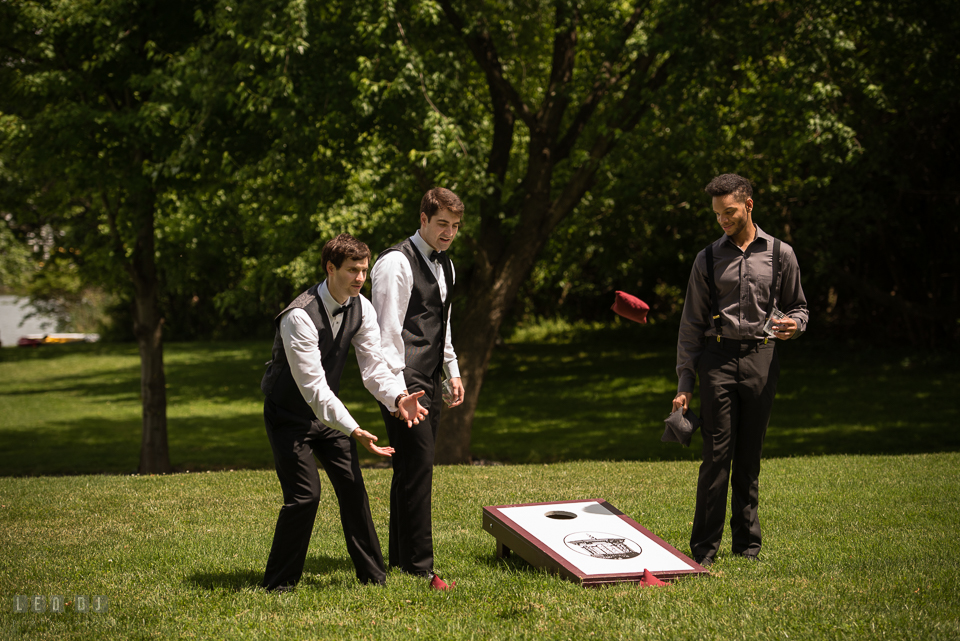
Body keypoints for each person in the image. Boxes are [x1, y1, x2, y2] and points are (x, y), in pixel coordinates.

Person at [259, 233, 429, 592]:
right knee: (305, 497)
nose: (359, 278)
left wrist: (397, 397)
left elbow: (374, 368)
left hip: (328, 415)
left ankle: (374, 578)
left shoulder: (361, 307)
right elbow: (314, 389)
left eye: (364, 271)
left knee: (354, 489)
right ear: (330, 268)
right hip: (289, 415)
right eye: (352, 270)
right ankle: (278, 585)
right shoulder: (298, 317)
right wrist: (354, 429)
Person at [671, 174, 808, 567]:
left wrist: (794, 326)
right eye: (716, 214)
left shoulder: (781, 254)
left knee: (750, 455)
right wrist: (685, 382)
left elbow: (800, 308)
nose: (722, 220)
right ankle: (703, 551)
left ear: (748, 205)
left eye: (728, 212)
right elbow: (690, 326)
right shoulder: (707, 258)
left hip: (762, 359)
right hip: (717, 360)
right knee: (716, 454)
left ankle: (748, 547)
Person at [370, 187, 466, 590]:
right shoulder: (395, 263)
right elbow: (386, 333)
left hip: (429, 378)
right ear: (423, 219)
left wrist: (452, 370)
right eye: (442, 224)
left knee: (410, 469)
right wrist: (395, 394)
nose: (448, 233)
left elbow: (440, 325)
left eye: (455, 226)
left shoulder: (447, 266)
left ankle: (401, 557)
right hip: (402, 381)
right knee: (419, 467)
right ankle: (421, 567)